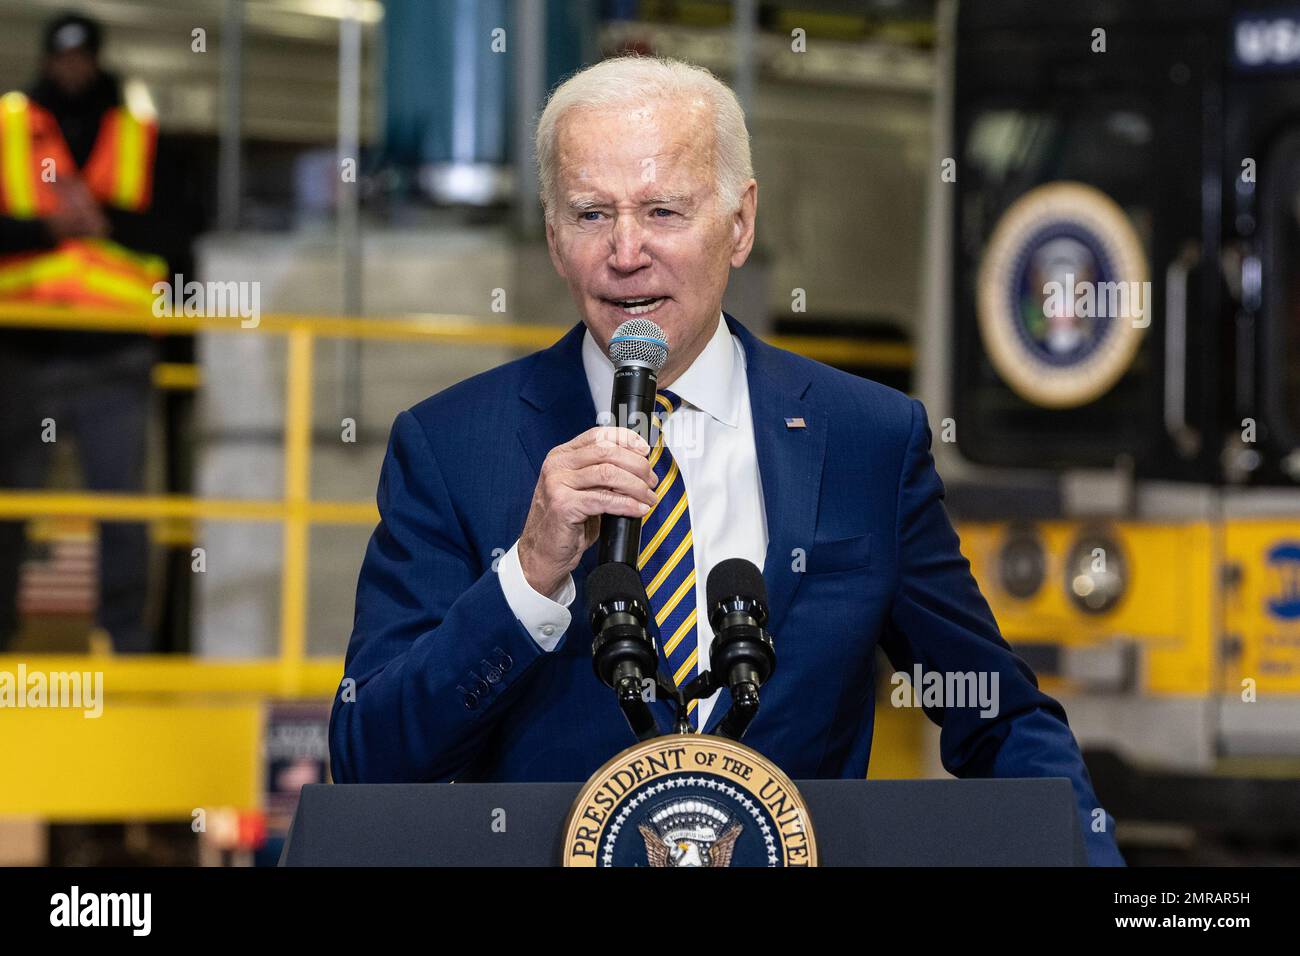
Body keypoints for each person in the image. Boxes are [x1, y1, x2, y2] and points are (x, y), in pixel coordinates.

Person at [330, 55, 1124, 866]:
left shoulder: (866, 440)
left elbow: (999, 715)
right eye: (591, 214)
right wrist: (528, 576)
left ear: (740, 223)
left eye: (664, 210)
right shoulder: (454, 445)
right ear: (552, 235)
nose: (626, 251)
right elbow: (371, 761)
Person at [0, 13, 182, 652]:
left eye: (82, 58)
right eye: (61, 57)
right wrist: (47, 230)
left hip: (116, 350)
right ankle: (4, 633)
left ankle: (124, 638)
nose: (71, 68)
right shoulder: (10, 126)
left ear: (97, 60)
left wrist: (106, 223)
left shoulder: (140, 130)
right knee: (10, 506)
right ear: (47, 60)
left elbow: (175, 232)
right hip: (26, 349)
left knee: (124, 508)